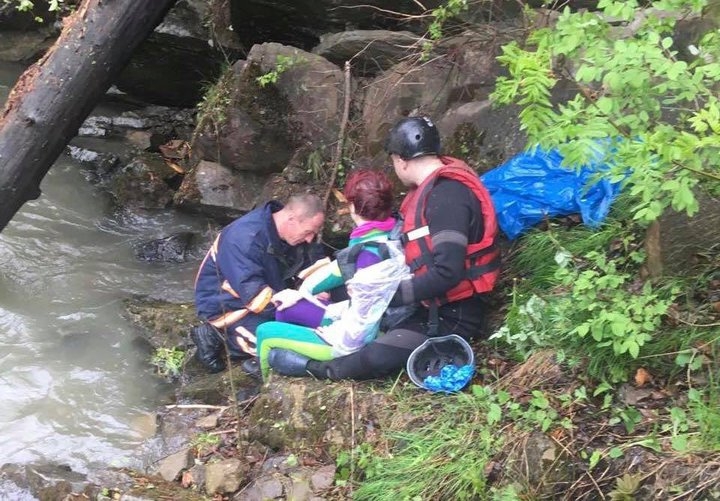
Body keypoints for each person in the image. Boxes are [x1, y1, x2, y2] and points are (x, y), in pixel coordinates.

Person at [269, 116, 501, 380]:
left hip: (453, 314)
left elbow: (448, 273)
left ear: (401, 160)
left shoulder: (448, 197)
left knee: (376, 356)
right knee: (341, 294)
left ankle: (313, 368)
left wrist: (389, 296)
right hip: (426, 305)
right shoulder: (430, 191)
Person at [255, 169, 401, 379]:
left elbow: (364, 323)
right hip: (374, 322)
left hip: (352, 342)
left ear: (352, 206)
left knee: (265, 332)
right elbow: (330, 277)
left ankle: (266, 384)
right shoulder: (389, 236)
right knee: (288, 307)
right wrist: (300, 294)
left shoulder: (366, 253)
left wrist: (334, 331)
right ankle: (293, 355)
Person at [191, 193, 325, 373]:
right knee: (282, 344)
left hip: (273, 292)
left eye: (314, 233)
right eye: (308, 232)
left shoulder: (292, 231)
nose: (310, 238)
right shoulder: (243, 238)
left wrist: (325, 290)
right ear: (291, 219)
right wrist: (303, 310)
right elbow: (255, 296)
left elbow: (315, 264)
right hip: (232, 306)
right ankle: (215, 335)